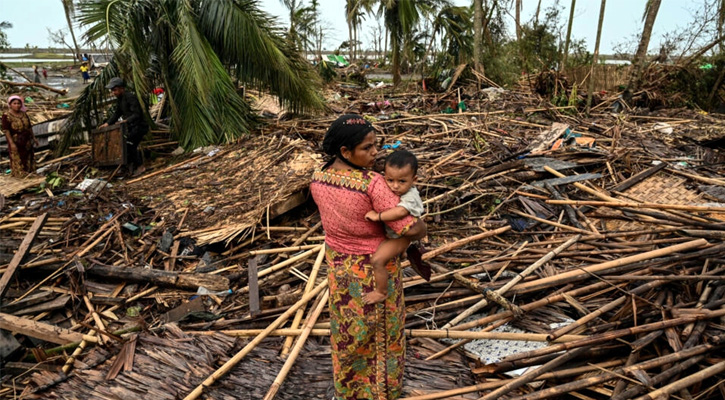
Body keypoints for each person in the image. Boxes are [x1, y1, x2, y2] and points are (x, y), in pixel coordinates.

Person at [310, 114, 426, 400]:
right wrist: (422, 227)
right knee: (381, 335)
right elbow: (408, 228)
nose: (376, 153)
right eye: (367, 148)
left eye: (376, 145)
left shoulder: (319, 178)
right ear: (345, 152)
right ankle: (379, 393)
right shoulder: (373, 184)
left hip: (338, 267)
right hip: (374, 270)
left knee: (347, 332)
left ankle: (348, 390)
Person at [363, 149, 426, 304]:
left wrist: (377, 216)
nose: (395, 186)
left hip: (401, 237)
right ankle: (403, 253)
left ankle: (381, 292)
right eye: (390, 180)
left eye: (402, 181)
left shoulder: (410, 196)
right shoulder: (394, 189)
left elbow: (400, 212)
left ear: (414, 179)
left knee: (377, 261)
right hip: (396, 234)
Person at [99, 77, 149, 176]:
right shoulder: (120, 99)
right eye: (112, 90)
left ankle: (140, 166)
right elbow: (117, 113)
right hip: (132, 126)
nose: (114, 92)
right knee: (126, 145)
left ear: (122, 88)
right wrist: (108, 123)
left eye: (115, 90)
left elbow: (137, 114)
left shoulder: (130, 97)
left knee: (130, 144)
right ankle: (130, 167)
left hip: (139, 126)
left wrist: (125, 121)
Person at [2, 96, 38, 177]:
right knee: (18, 158)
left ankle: (30, 174)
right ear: (10, 105)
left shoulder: (24, 114)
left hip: (26, 141)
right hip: (16, 141)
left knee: (29, 157)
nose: (17, 105)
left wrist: (33, 137)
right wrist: (11, 143)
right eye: (14, 103)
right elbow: (6, 131)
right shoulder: (6, 116)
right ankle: (20, 175)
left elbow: (29, 127)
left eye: (18, 103)